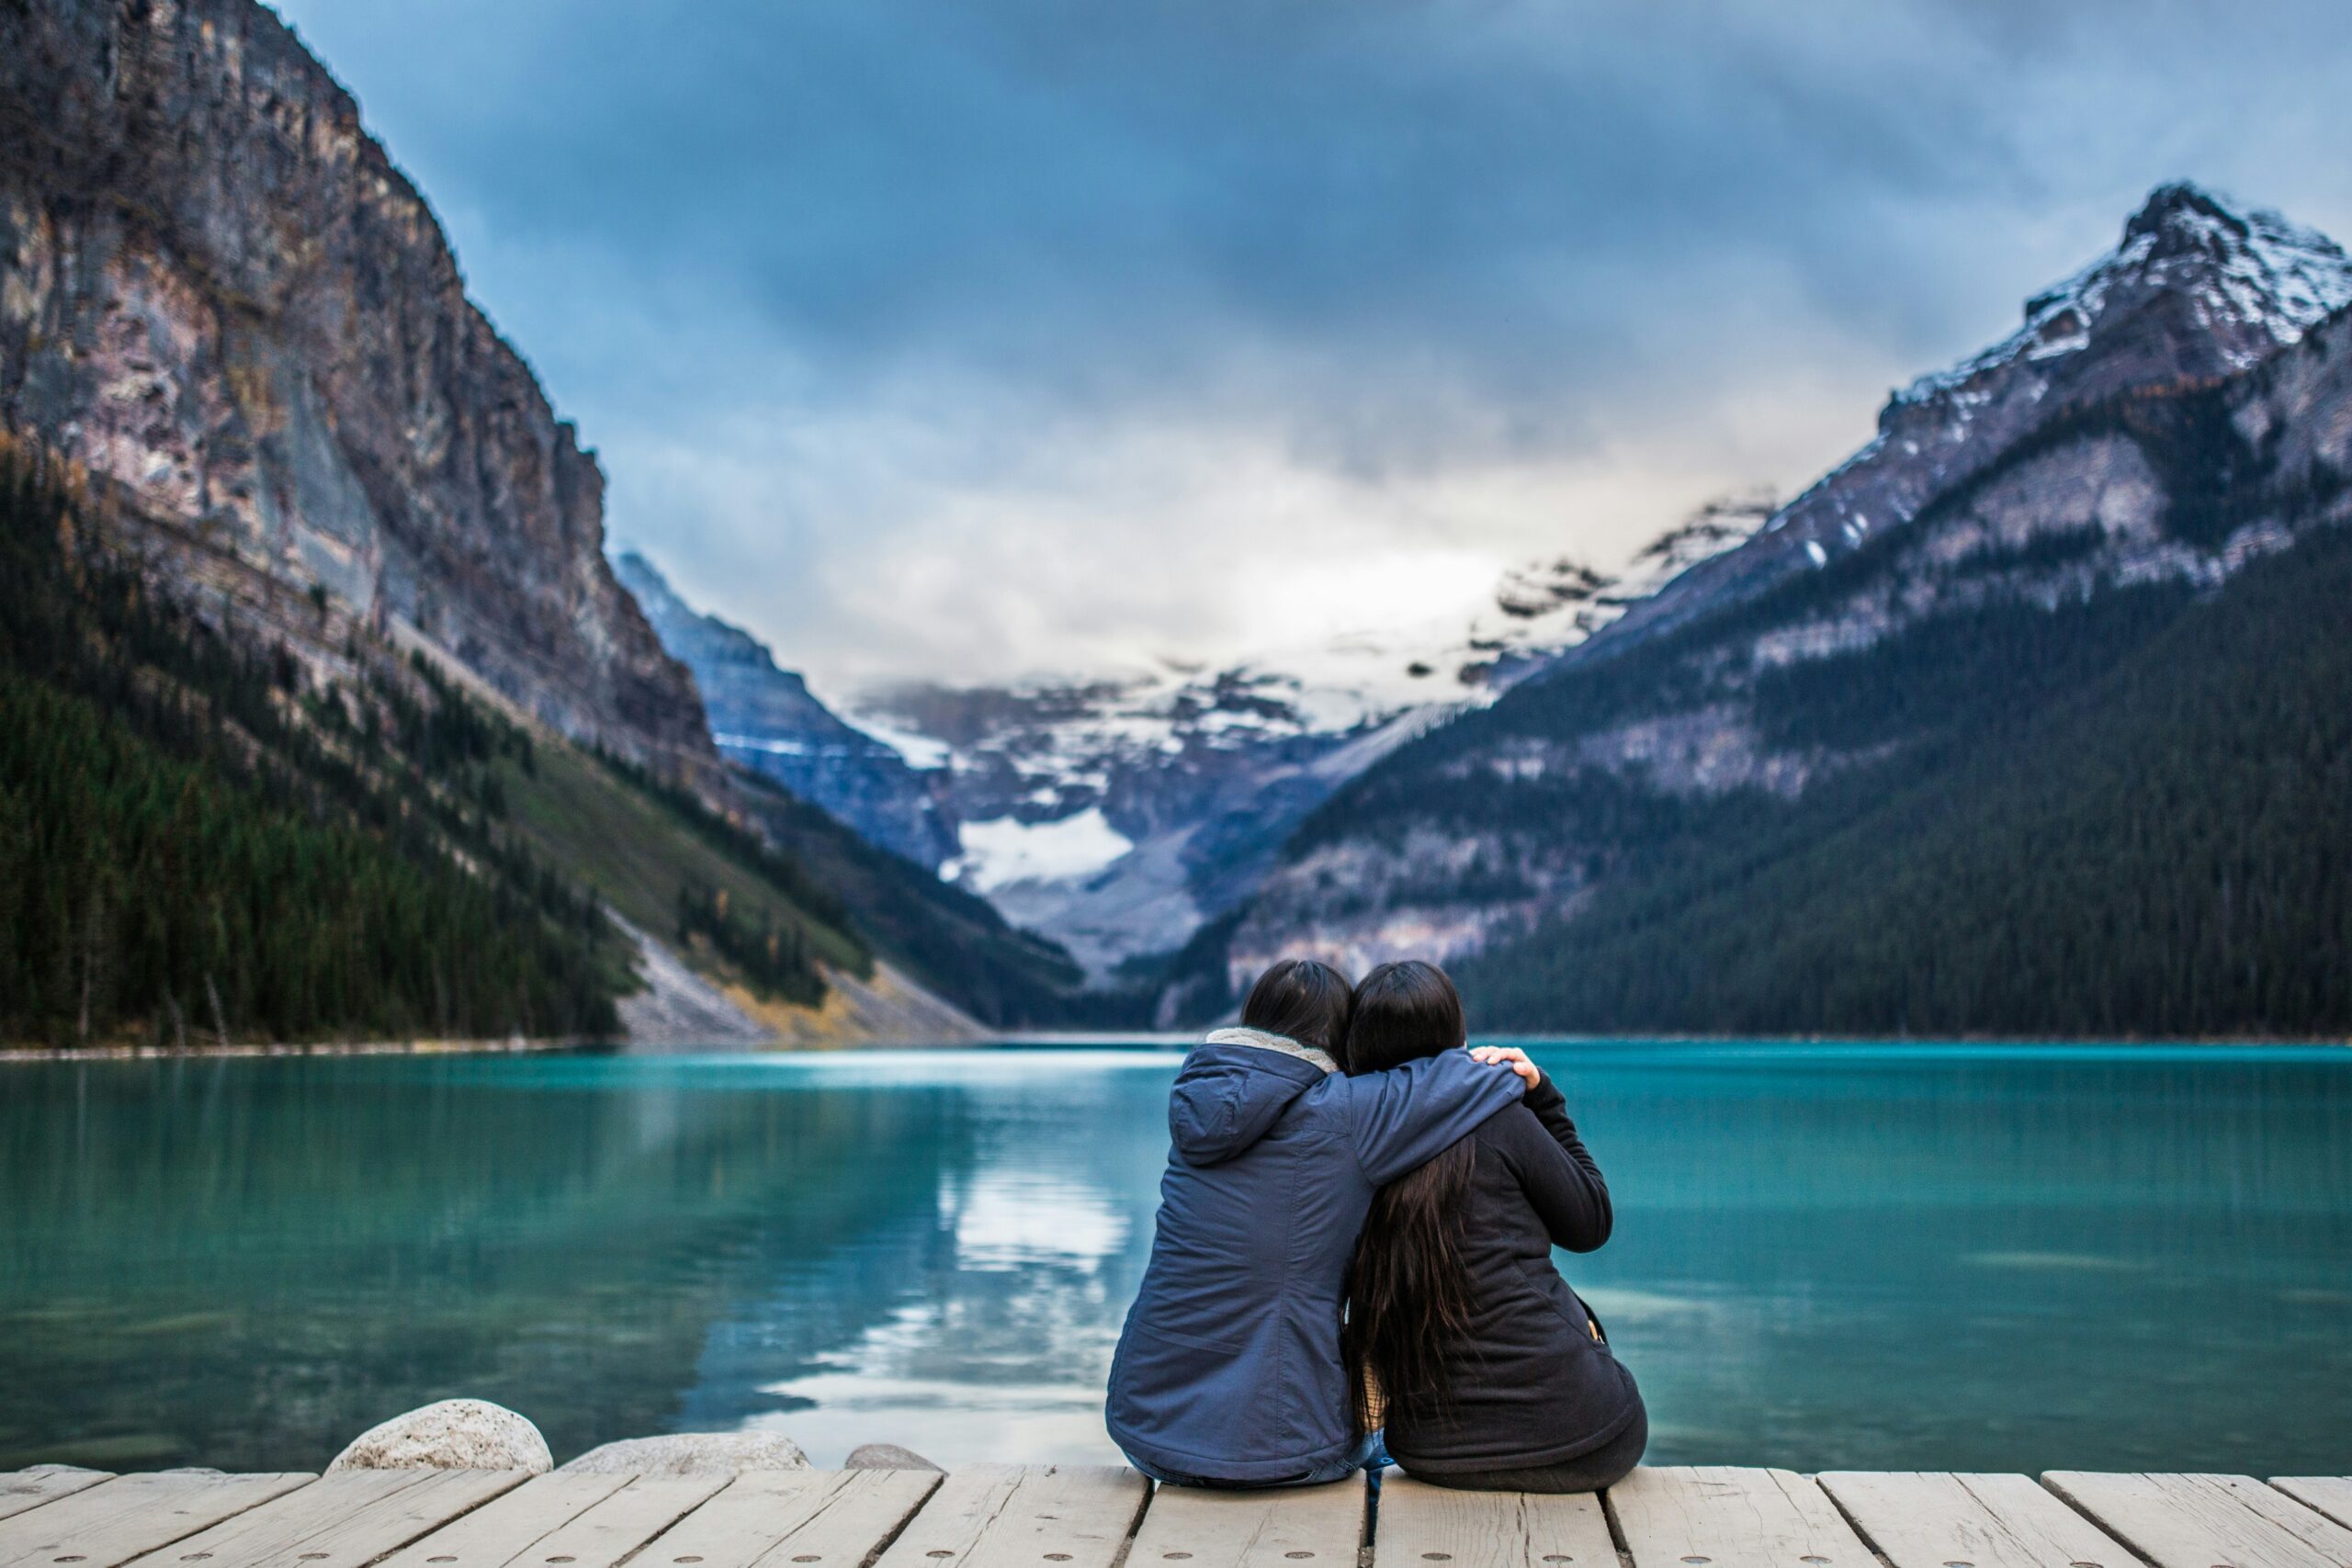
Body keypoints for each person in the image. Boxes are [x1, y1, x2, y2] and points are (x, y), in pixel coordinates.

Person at [1106, 957, 1540, 1488]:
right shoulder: (1344, 1113)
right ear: (1337, 1038)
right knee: (1388, 1445)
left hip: (1145, 1434)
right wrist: (1514, 1067)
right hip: (1278, 1452)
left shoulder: (1195, 1104)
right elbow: (1463, 1080)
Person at [1342, 960, 1645, 1493]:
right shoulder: (1500, 1117)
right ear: (1456, 1037)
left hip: (1434, 1455)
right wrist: (1542, 1096)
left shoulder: (1347, 1143)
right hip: (1590, 1436)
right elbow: (1590, 1223)